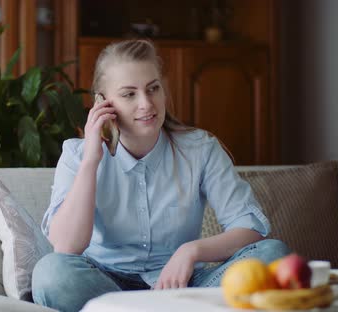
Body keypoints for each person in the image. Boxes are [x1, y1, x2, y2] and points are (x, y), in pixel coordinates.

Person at [32, 39, 290, 312]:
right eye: (129, 94)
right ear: (103, 102)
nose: (146, 104)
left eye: (153, 89)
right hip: (105, 287)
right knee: (51, 273)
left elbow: (250, 227)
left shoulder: (200, 149)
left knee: (273, 256)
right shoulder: (76, 154)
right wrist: (91, 161)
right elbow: (66, 246)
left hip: (184, 288)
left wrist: (190, 252)